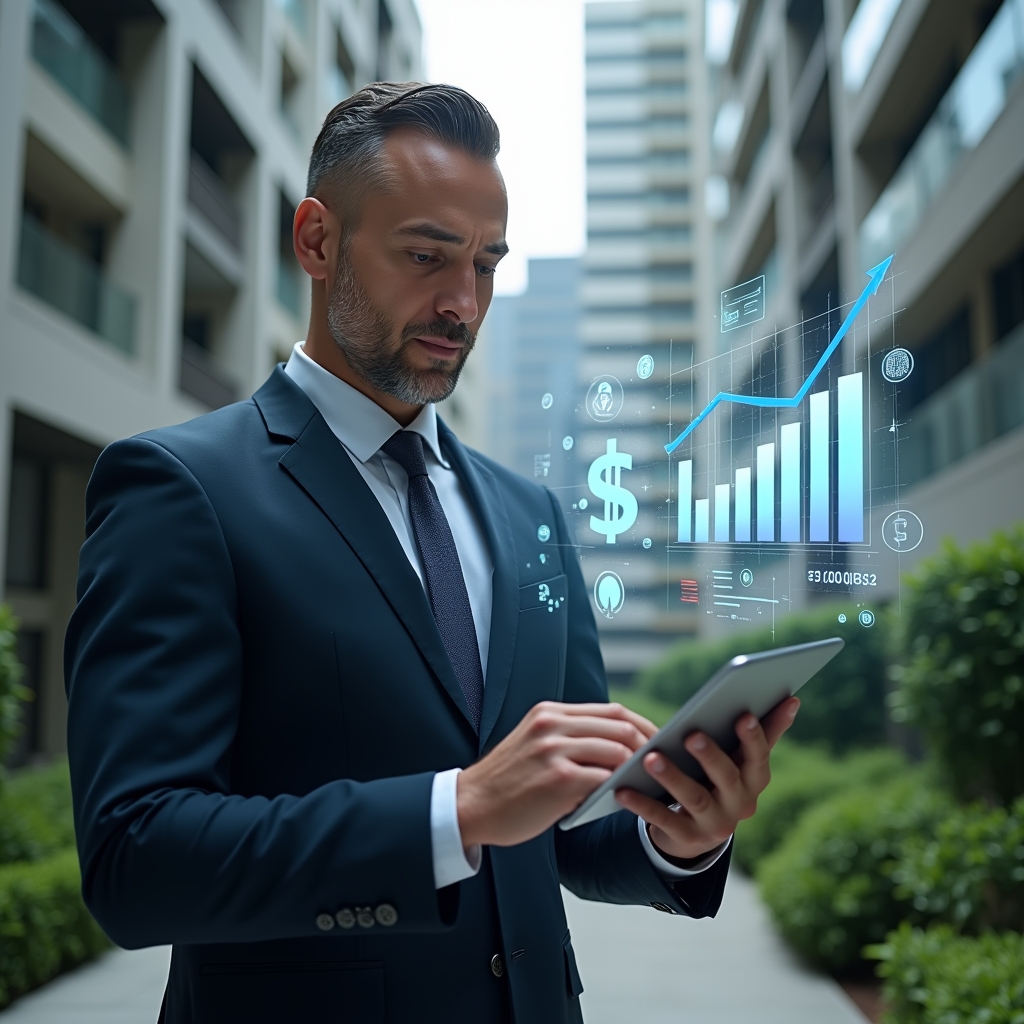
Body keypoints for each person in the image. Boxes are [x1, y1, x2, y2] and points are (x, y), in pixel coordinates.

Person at [64, 83, 799, 1024]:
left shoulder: (531, 514)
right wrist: (456, 811)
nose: (463, 303)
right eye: (426, 256)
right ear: (316, 241)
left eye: (486, 264)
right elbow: (135, 859)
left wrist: (681, 835)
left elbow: (570, 834)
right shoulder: (179, 487)